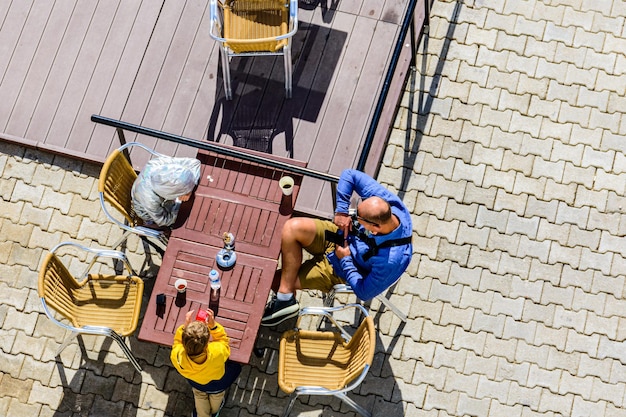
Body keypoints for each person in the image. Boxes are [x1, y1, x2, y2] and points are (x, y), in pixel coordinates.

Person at [261, 169, 413, 326]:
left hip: (338, 269)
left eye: (360, 220)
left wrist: (346, 259)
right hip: (338, 235)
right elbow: (349, 175)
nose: (355, 218)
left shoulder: (390, 261)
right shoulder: (385, 204)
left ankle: (284, 300)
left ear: (375, 228)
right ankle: (285, 299)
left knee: (274, 281)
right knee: (291, 227)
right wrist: (341, 211)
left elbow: (364, 292)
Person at [171, 309, 241, 417]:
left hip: (196, 382)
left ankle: (202, 415)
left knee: (199, 394)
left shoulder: (177, 356)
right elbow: (223, 341)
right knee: (217, 395)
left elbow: (177, 342)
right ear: (207, 341)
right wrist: (213, 326)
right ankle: (214, 412)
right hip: (218, 382)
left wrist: (185, 327)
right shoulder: (217, 351)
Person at [131, 156, 201, 227]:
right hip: (149, 213)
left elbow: (195, 163)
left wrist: (190, 187)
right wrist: (179, 209)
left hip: (157, 199)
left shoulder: (158, 164)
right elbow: (164, 221)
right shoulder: (150, 200)